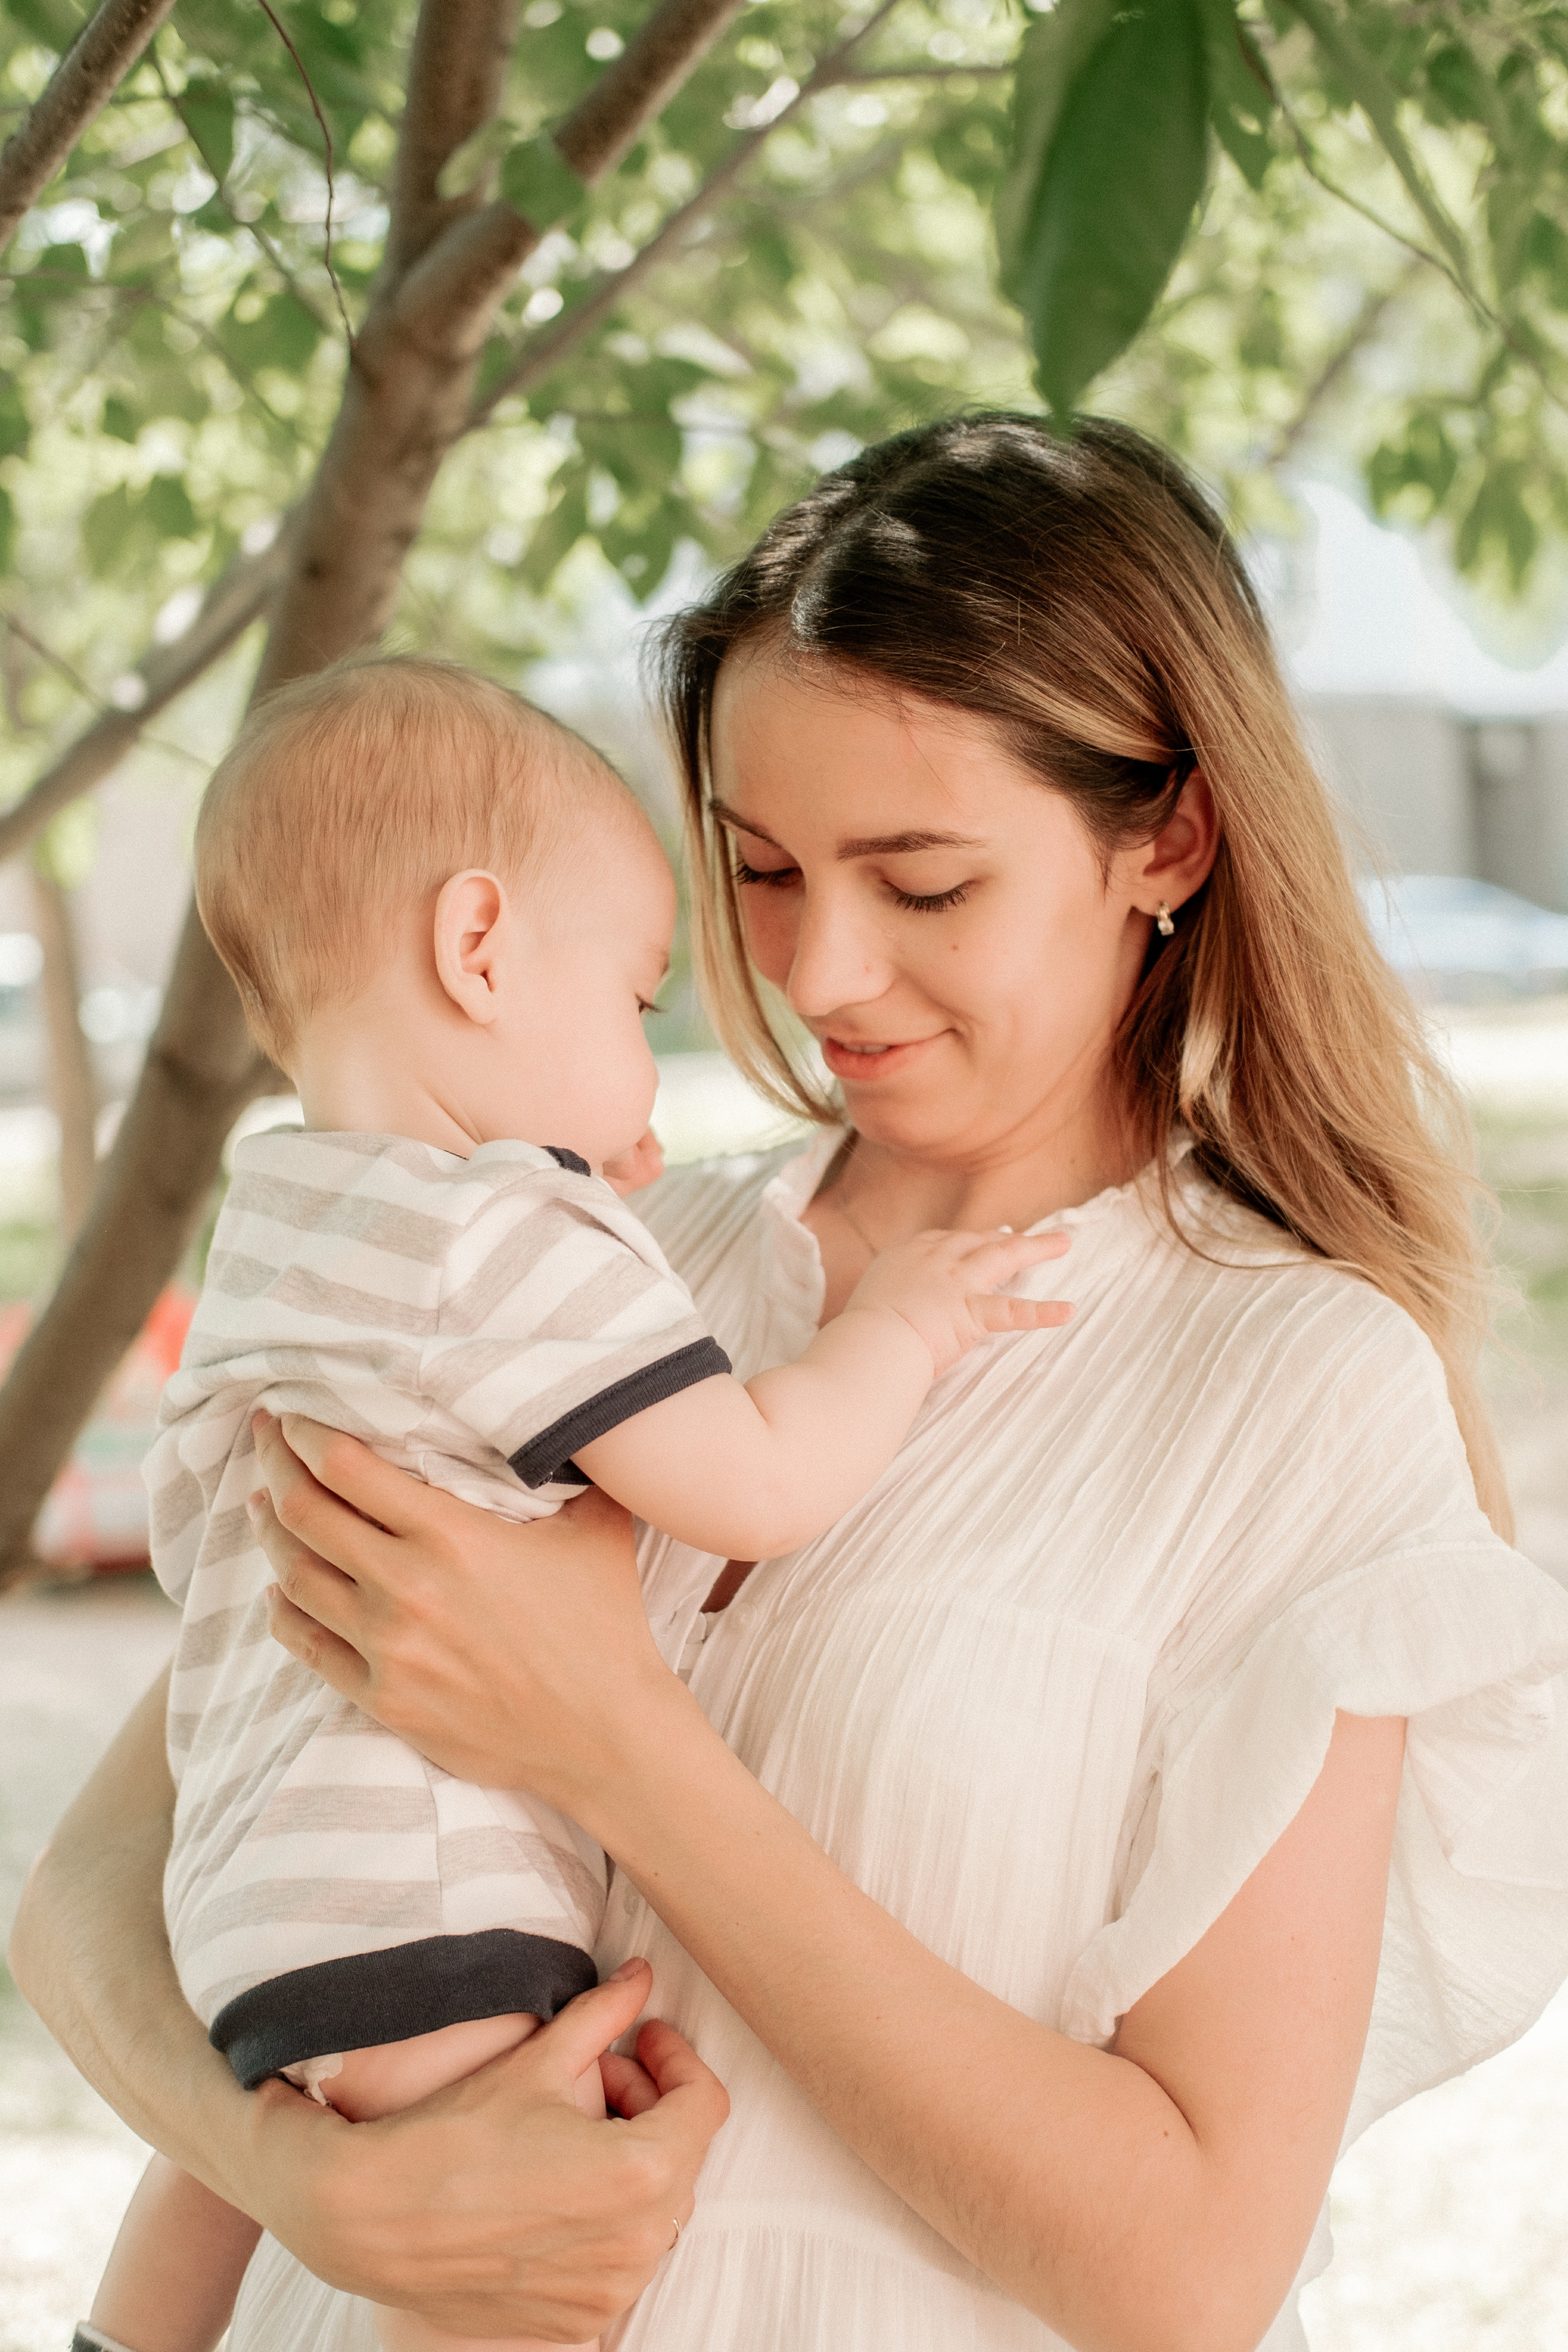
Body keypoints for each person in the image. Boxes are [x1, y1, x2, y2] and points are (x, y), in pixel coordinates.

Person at [14, 412, 1568, 2352]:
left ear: (1164, 836)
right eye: (759, 870)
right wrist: (317, 2186)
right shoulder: (560, 1263)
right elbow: (87, 1894)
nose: (824, 971)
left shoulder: (1297, 1390)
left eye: (922, 884)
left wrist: (615, 1745)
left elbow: (1189, 2277)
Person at [72, 655, 1069, 2352]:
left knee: (247, 2171)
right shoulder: (510, 1235)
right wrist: (901, 1329)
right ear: (479, 951)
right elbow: (750, 1484)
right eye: (629, 1002)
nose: (647, 1067)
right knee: (523, 2251)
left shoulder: (290, 1224)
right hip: (429, 1891)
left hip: (250, 1900)